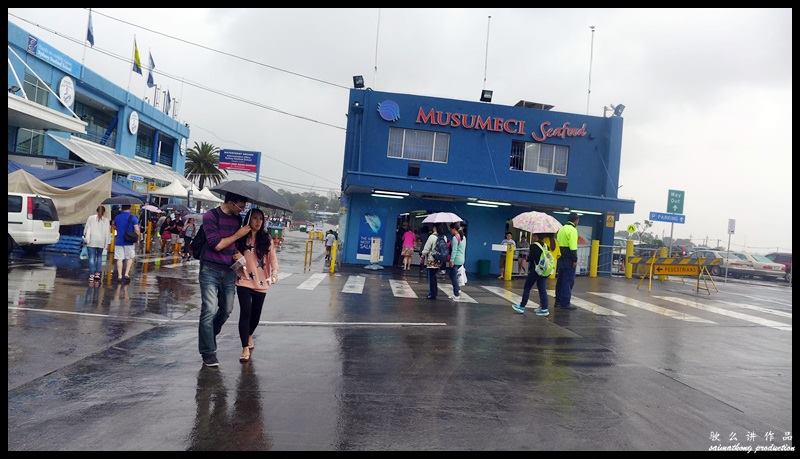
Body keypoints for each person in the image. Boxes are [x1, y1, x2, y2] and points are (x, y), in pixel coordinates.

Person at [198, 192, 252, 368]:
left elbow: (232, 245)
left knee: (227, 309)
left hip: (229, 270)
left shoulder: (237, 219)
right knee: (209, 309)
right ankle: (208, 352)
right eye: (240, 206)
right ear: (230, 202)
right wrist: (238, 234)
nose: (242, 209)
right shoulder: (210, 216)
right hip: (210, 269)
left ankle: (209, 335)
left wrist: (237, 253)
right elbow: (217, 244)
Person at [233, 208, 279, 363]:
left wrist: (274, 273)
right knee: (245, 312)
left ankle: (249, 334)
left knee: (255, 316)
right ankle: (244, 347)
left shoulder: (266, 239)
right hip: (244, 280)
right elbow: (232, 252)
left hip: (261, 282)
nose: (258, 222)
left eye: (260, 218)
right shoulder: (241, 236)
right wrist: (236, 254)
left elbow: (272, 258)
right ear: (249, 219)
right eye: (254, 218)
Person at [512, 233, 552, 316]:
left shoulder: (533, 245)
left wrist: (527, 258)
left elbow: (531, 258)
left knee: (527, 288)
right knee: (542, 289)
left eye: (533, 236)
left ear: (536, 236)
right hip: (543, 271)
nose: (532, 237)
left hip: (535, 270)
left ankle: (522, 307)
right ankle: (544, 308)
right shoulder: (546, 245)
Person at [555, 212, 580, 310]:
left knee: (560, 280)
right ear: (576, 220)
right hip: (569, 258)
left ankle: (558, 301)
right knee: (568, 280)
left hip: (561, 257)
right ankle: (565, 303)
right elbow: (573, 247)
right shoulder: (573, 230)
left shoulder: (561, 229)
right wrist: (575, 259)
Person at [83, 205, 111, 284]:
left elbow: (86, 229)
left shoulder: (91, 218)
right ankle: (97, 274)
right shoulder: (106, 220)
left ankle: (91, 275)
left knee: (91, 258)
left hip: (91, 240)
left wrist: (85, 235)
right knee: (99, 257)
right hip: (101, 241)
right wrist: (107, 243)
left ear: (96, 211)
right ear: (104, 212)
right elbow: (107, 233)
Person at [113, 204, 140, 283]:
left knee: (119, 259)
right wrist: (138, 238)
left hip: (119, 241)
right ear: (130, 208)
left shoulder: (117, 217)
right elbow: (137, 230)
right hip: (129, 241)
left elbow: (114, 226)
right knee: (129, 258)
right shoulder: (133, 218)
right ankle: (126, 274)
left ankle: (119, 276)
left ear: (122, 208)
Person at [421, 223, 448, 300]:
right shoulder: (444, 237)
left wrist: (422, 255)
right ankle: (434, 293)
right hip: (439, 260)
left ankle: (432, 294)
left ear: (435, 228)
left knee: (431, 278)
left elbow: (426, 248)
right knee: (434, 277)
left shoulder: (432, 237)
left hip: (432, 259)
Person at [447, 222, 467, 301]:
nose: (450, 231)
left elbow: (454, 251)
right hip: (461, 259)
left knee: (453, 277)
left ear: (454, 229)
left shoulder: (455, 238)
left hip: (456, 260)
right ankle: (458, 289)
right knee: (452, 275)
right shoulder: (463, 237)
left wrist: (451, 260)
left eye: (451, 229)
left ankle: (456, 294)